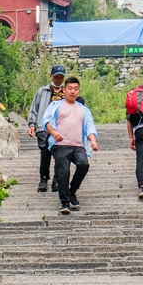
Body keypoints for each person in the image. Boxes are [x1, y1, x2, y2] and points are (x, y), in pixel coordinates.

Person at [42, 77, 99, 215]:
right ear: (64, 90)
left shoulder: (83, 109)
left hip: (77, 145)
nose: (72, 91)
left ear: (79, 91)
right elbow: (47, 121)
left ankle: (72, 191)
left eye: (75, 89)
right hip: (60, 145)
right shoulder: (56, 105)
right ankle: (65, 202)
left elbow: (90, 127)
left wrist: (93, 141)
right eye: (70, 89)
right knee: (64, 172)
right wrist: (54, 133)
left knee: (83, 164)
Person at [27, 64, 66, 192]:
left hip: (62, 127)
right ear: (51, 76)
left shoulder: (66, 91)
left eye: (61, 77)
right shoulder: (42, 91)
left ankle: (57, 180)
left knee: (60, 154)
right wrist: (32, 125)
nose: (58, 80)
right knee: (45, 151)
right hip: (43, 126)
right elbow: (34, 109)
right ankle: (43, 178)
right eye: (56, 77)